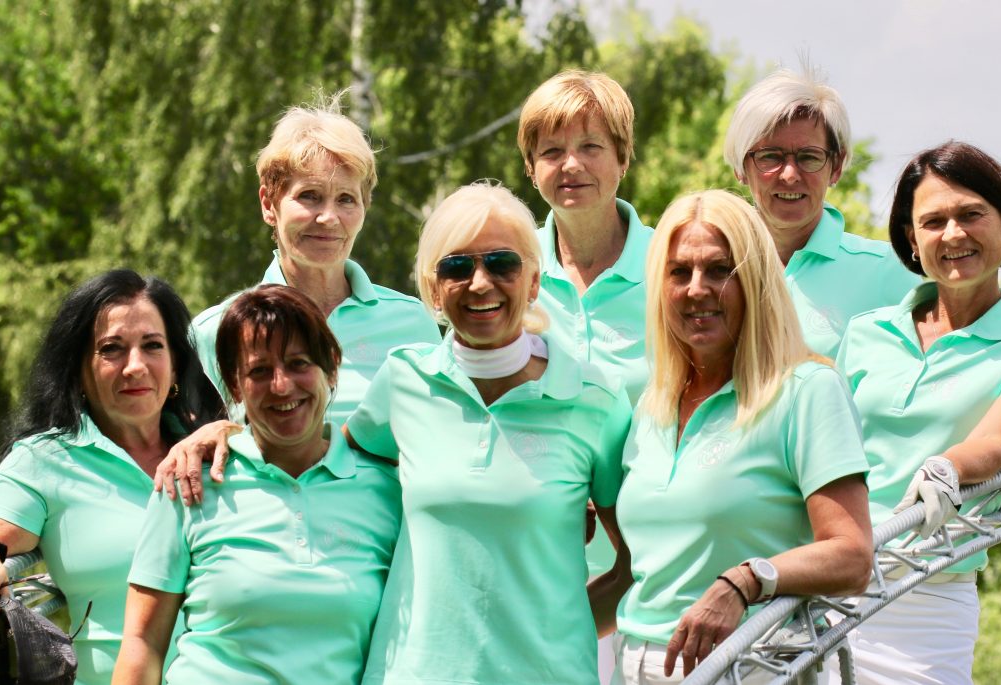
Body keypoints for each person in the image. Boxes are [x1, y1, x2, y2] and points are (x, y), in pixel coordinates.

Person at [345, 182, 633, 684]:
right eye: (457, 267)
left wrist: (555, 628)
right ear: (433, 289)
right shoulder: (402, 381)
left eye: (502, 263)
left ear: (535, 280)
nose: (480, 283)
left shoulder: (594, 399)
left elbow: (636, 566)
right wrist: (217, 435)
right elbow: (314, 467)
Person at [835, 142, 1001, 683]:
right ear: (911, 238)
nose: (953, 234)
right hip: (830, 581)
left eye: (971, 214)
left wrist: (946, 466)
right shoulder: (865, 333)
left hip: (929, 594)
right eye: (932, 221)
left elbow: (995, 444)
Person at [609, 189, 873, 683]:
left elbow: (852, 554)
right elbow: (643, 570)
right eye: (678, 272)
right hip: (634, 664)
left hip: (749, 662)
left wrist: (745, 581)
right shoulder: (652, 406)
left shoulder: (807, 390)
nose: (696, 289)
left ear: (755, 279)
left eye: (718, 270)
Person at [0, 269, 224, 685]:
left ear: (176, 364)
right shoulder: (47, 461)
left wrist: (228, 433)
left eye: (153, 346)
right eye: (112, 349)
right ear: (78, 371)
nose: (135, 366)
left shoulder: (219, 455)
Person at [112, 284, 400, 684]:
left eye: (299, 363)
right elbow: (141, 643)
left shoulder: (386, 490)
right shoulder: (189, 481)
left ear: (332, 367)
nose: (282, 386)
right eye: (259, 371)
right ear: (234, 386)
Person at [172, 97, 439, 499]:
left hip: (385, 548)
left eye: (346, 199)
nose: (328, 218)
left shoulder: (412, 323)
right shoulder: (215, 331)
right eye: (310, 196)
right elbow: (183, 453)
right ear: (268, 204)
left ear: (365, 207)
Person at [517, 72, 654, 648]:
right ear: (531, 168)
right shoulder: (504, 275)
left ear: (622, 157)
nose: (570, 164)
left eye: (590, 146)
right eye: (551, 151)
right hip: (539, 566)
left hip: (662, 566)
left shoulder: (676, 269)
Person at [724, 66, 919, 357]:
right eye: (770, 157)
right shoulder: (711, 268)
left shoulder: (887, 271)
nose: (790, 174)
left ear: (836, 166)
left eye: (809, 157)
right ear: (741, 167)